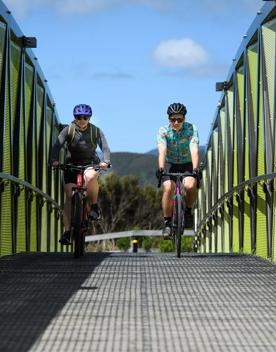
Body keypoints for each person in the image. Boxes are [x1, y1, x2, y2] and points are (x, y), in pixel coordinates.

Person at [51, 103, 111, 245]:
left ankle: (94, 206)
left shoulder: (95, 131)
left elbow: (105, 147)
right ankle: (66, 232)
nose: (82, 120)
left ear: (89, 118)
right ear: (75, 118)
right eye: (79, 117)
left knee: (90, 177)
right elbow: (57, 145)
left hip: (90, 164)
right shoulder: (68, 130)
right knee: (70, 197)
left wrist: (106, 161)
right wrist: (53, 160)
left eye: (85, 117)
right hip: (70, 165)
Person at [156, 102, 200, 237]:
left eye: (179, 119)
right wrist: (161, 168)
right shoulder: (163, 131)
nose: (176, 122)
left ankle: (187, 210)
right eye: (173, 119)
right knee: (168, 187)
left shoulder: (191, 129)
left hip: (187, 163)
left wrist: (195, 168)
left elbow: (194, 149)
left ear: (184, 119)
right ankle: (168, 223)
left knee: (190, 185)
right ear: (168, 119)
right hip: (170, 163)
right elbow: (162, 150)